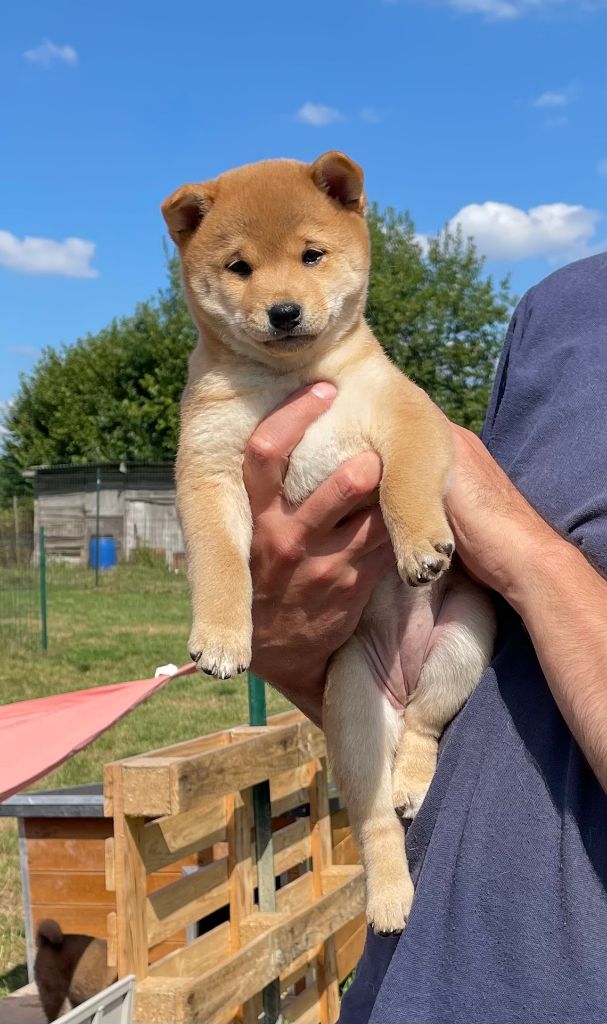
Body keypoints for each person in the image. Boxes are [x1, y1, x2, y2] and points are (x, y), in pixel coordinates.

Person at [244, 252, 607, 1023]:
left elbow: (497, 542)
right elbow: (497, 655)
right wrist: (298, 649)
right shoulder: (559, 305)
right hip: (411, 979)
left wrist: (529, 555)